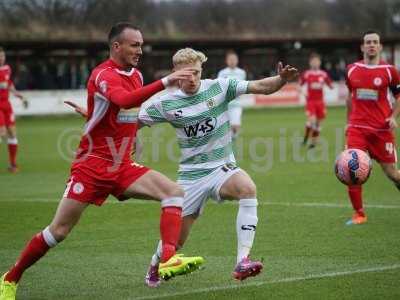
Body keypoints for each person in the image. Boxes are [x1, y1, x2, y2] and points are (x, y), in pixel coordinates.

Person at [0, 22, 196, 299]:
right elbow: (125, 101)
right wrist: (166, 81)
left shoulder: (137, 75)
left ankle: (167, 259)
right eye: (134, 45)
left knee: (174, 193)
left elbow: (121, 115)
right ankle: (10, 277)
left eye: (141, 44)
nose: (140, 50)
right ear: (117, 46)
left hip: (122, 165)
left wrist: (114, 130)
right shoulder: (102, 74)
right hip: (91, 165)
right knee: (58, 231)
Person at [139, 48, 299, 285]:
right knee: (176, 241)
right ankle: (155, 265)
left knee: (247, 188)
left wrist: (281, 79)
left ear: (201, 70)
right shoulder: (166, 103)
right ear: (175, 73)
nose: (191, 78)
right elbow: (130, 120)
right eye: (185, 74)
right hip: (190, 177)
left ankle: (242, 260)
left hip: (221, 167)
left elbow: (261, 87)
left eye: (195, 72)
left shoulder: (219, 87)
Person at [344, 30, 400, 225]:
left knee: (393, 174)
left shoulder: (389, 70)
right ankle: (359, 214)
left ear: (380, 46)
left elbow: (399, 97)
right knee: (351, 171)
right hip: (357, 129)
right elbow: (350, 97)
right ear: (362, 47)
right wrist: (347, 122)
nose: (371, 45)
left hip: (381, 131)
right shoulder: (352, 69)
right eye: (368, 42)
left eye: (375, 42)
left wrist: (393, 117)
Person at [0, 47, 28, 173]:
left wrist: (17, 94)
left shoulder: (7, 69)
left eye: (3, 56)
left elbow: (9, 83)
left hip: (7, 105)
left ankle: (12, 164)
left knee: (12, 133)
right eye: (0, 56)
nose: (1, 58)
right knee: (2, 132)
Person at [299, 53, 333, 148]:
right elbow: (299, 85)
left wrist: (330, 86)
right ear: (310, 63)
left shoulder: (323, 74)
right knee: (312, 121)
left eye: (317, 61)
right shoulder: (307, 74)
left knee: (317, 124)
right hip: (311, 102)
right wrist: (303, 93)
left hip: (320, 102)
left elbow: (331, 85)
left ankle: (312, 142)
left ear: (320, 63)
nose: (315, 63)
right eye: (313, 62)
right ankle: (308, 140)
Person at [217, 50, 247, 139]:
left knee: (235, 125)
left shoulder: (242, 73)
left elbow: (243, 86)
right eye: (230, 59)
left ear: (237, 60)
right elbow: (219, 87)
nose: (232, 61)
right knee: (226, 125)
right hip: (225, 103)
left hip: (237, 103)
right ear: (227, 61)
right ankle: (228, 140)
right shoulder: (222, 73)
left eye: (234, 59)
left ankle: (232, 136)